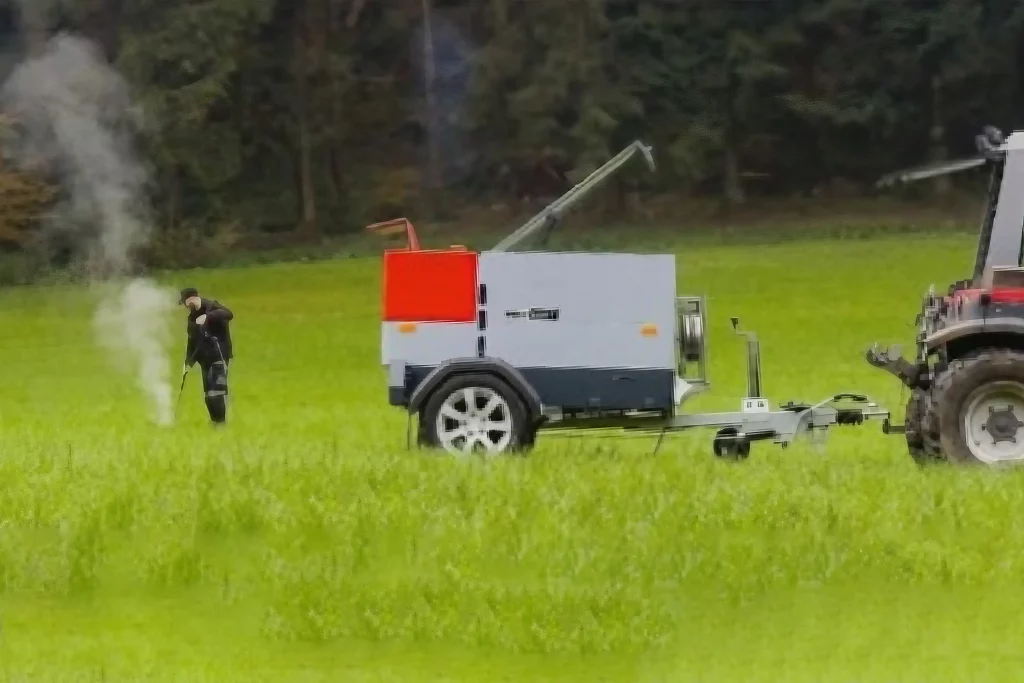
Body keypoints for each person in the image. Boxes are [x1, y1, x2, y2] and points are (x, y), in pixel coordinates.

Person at [179, 287, 234, 424]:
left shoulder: (211, 306)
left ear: (189, 300)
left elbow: (228, 314)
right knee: (208, 394)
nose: (186, 307)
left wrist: (207, 317)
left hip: (218, 355)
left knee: (217, 392)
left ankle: (220, 422)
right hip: (204, 359)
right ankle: (214, 421)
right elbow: (192, 341)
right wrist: (188, 363)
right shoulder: (191, 317)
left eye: (185, 303)